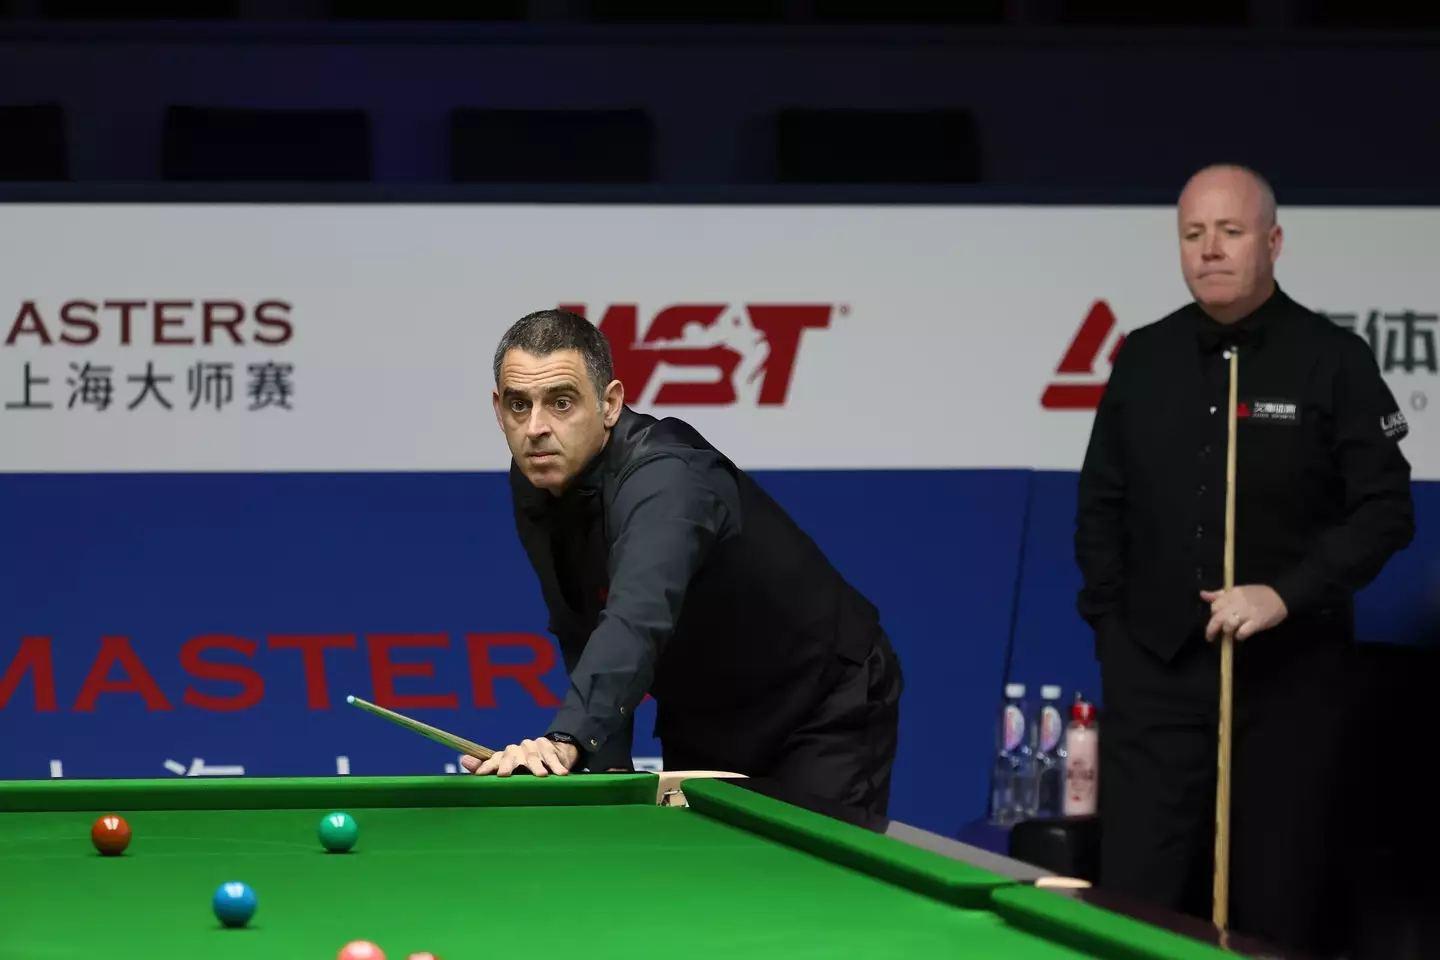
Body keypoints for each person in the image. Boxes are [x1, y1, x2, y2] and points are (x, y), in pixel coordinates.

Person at [1074, 164, 1414, 954]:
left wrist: (1285, 595)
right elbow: (1100, 509)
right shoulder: (1144, 356)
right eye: (1193, 234)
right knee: (1133, 895)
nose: (1210, 250)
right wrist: (1115, 632)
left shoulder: (1334, 359)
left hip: (1289, 682)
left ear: (1273, 241)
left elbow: (1386, 511)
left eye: (1230, 231)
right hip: (1155, 675)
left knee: (1272, 898)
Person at [460, 308, 904, 817]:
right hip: (705, 708)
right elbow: (581, 626)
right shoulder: (536, 478)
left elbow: (636, 620)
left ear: (610, 404)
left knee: (810, 887)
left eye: (561, 402)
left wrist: (565, 740)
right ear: (499, 410)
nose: (536, 428)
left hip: (819, 701)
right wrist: (603, 773)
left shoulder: (667, 478)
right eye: (519, 405)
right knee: (703, 881)